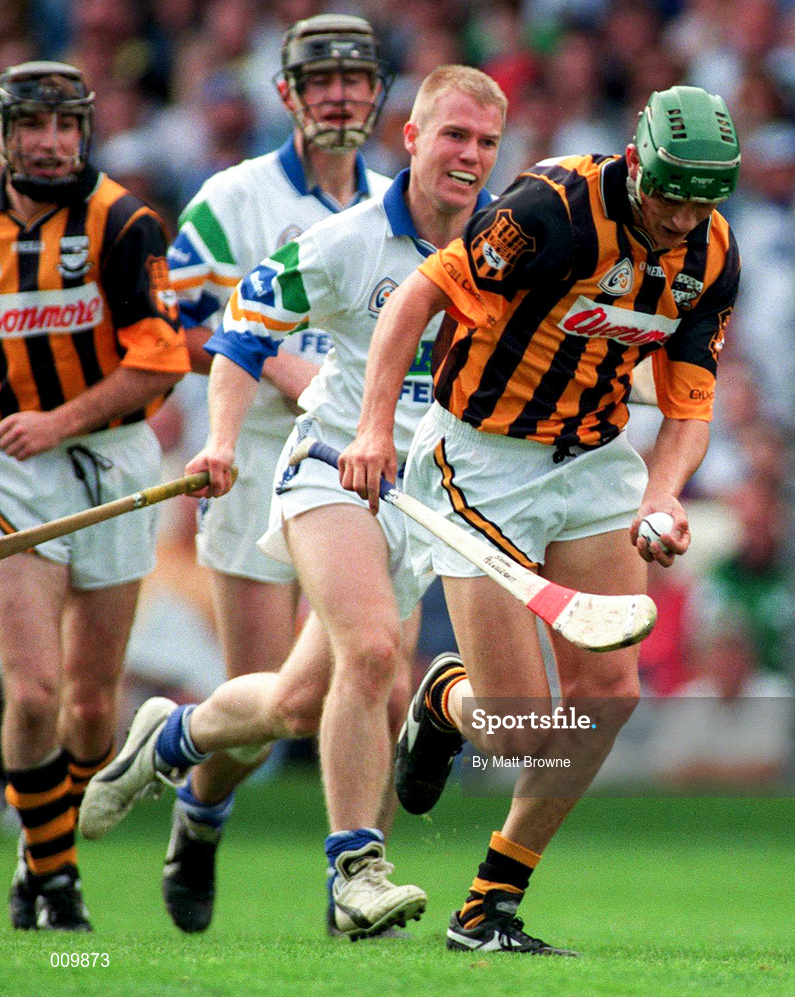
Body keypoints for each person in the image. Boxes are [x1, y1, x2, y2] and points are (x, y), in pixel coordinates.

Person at [79, 65, 508, 941]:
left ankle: (174, 735)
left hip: (418, 501)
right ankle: (357, 873)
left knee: (294, 705)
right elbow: (241, 327)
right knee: (377, 653)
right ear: (414, 139)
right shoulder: (349, 240)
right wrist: (225, 439)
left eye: (487, 142)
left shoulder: (509, 247)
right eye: (454, 136)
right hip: (329, 469)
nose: (470, 156)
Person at [339, 84, 742, 954]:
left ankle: (487, 907)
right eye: (670, 196)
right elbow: (419, 297)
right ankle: (446, 701)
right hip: (483, 458)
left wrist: (664, 493)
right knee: (528, 730)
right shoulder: (548, 209)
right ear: (638, 164)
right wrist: (374, 424)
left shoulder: (711, 253)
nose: (681, 218)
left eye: (702, 201)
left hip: (594, 458)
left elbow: (690, 403)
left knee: (609, 694)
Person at [159, 14, 391, 934]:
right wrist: (289, 376)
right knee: (269, 710)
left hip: (360, 472)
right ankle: (201, 808)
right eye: (320, 80)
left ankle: (355, 878)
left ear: (379, 97)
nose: (339, 94)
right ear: (287, 94)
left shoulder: (399, 208)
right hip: (256, 463)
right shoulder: (231, 199)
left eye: (355, 80)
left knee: (372, 666)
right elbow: (177, 325)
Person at [0, 61, 189, 931]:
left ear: (84, 133)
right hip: (11, 467)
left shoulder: (124, 222)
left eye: (64, 127)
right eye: (32, 127)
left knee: (88, 706)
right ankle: (55, 876)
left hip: (112, 459)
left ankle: (39, 856)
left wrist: (63, 419)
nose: (49, 143)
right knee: (33, 692)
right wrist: (30, 429)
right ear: (6, 137)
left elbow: (161, 359)